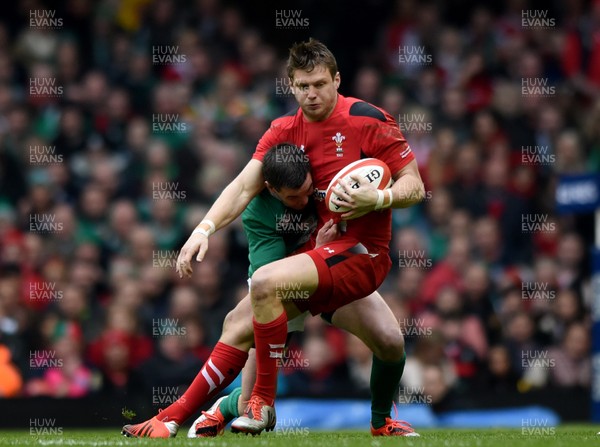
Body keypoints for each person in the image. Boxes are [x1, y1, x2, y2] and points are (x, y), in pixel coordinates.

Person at [127, 37, 424, 437]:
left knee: (389, 343)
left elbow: (416, 187)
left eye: (320, 83)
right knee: (244, 316)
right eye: (303, 86)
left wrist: (380, 197)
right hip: (317, 256)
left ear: (337, 80)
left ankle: (252, 404)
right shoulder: (283, 131)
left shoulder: (369, 120)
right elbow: (242, 186)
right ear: (291, 86)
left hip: (361, 254)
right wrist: (203, 229)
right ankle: (204, 412)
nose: (312, 93)